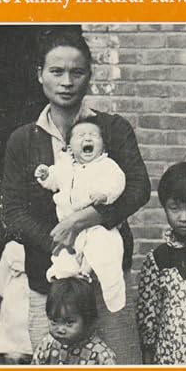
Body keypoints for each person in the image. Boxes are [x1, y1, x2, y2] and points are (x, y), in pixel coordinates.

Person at [1, 28, 151, 364]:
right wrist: (62, 241)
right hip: (49, 284)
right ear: (39, 75)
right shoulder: (23, 140)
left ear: (89, 76)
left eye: (77, 72)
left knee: (120, 369)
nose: (67, 81)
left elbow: (138, 187)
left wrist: (85, 219)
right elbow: (12, 211)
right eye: (57, 71)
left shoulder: (113, 129)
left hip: (105, 277)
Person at [34, 118, 126, 313]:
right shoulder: (65, 166)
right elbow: (54, 181)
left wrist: (106, 195)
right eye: (81, 136)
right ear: (69, 148)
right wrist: (45, 176)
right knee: (65, 257)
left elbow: (118, 182)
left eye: (93, 135)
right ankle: (66, 274)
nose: (87, 138)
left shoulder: (107, 165)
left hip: (96, 225)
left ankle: (103, 284)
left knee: (105, 252)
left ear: (102, 146)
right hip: (69, 226)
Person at [136, 161, 186, 365]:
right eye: (174, 208)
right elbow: (148, 316)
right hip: (168, 360)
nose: (183, 217)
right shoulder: (157, 260)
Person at [31, 277, 116, 365]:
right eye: (54, 321)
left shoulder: (101, 356)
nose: (60, 329)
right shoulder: (47, 344)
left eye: (69, 322)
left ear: (87, 319)